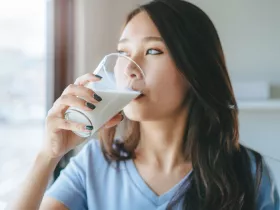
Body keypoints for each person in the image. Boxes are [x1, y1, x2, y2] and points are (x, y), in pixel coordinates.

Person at [7, 0, 279, 209]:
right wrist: (48, 156)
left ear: (195, 69)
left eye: (153, 51)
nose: (130, 69)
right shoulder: (94, 164)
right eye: (124, 53)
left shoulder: (248, 173)